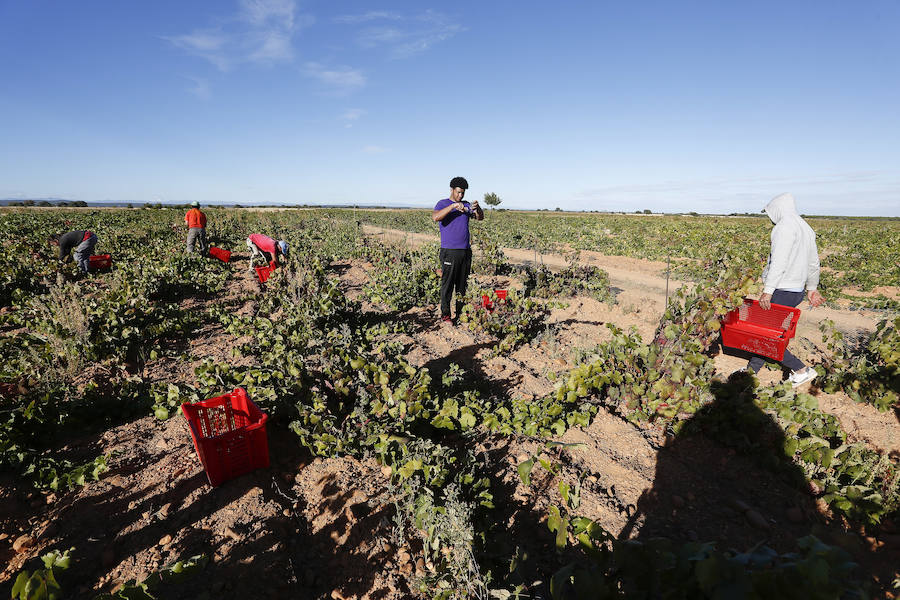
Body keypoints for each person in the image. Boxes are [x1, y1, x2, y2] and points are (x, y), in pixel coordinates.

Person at [749, 193, 825, 386]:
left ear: (777, 209)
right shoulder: (806, 228)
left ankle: (801, 369)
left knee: (767, 336)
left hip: (781, 289)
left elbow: (779, 261)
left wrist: (768, 289)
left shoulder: (783, 228)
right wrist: (812, 288)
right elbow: (814, 263)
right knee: (770, 332)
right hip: (796, 291)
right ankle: (750, 372)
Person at [432, 176, 484, 323]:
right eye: (458, 192)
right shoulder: (443, 203)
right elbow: (435, 217)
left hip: (465, 251)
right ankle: (446, 315)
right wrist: (453, 207)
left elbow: (480, 218)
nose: (460, 196)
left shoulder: (466, 205)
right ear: (452, 190)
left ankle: (461, 314)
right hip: (449, 251)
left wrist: (477, 208)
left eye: (463, 193)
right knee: (447, 284)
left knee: (462, 285)